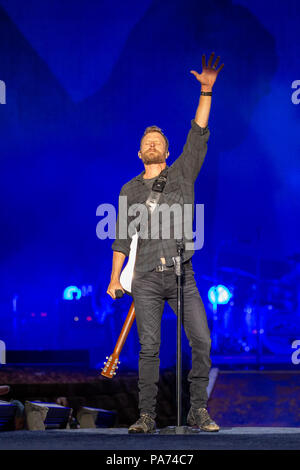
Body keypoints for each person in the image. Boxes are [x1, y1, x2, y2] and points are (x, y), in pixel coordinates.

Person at [107, 52, 224, 433]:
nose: (153, 143)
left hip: (181, 275)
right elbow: (121, 237)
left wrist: (205, 92)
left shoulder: (183, 173)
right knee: (149, 349)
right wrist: (114, 278)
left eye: (159, 140)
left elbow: (197, 132)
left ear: (168, 151)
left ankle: (197, 411)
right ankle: (145, 415)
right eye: (148, 141)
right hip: (143, 277)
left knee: (202, 342)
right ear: (140, 152)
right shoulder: (128, 188)